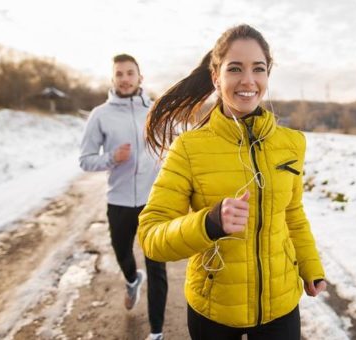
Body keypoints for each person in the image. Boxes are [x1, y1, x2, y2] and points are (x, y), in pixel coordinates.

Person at [138, 24, 327, 340]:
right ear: (216, 77)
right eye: (235, 69)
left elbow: (292, 214)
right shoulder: (189, 148)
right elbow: (151, 236)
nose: (248, 80)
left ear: (268, 76)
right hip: (214, 311)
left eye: (258, 69)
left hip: (281, 309)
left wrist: (311, 267)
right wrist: (209, 223)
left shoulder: (292, 143)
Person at [79, 54, 167, 340]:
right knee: (122, 254)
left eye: (130, 73)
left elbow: (171, 147)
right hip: (118, 201)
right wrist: (112, 158)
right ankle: (131, 280)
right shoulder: (100, 115)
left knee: (157, 267)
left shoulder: (156, 111)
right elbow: (86, 160)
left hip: (153, 201)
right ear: (113, 79)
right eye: (120, 74)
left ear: (140, 78)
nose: (125, 78)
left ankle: (156, 332)